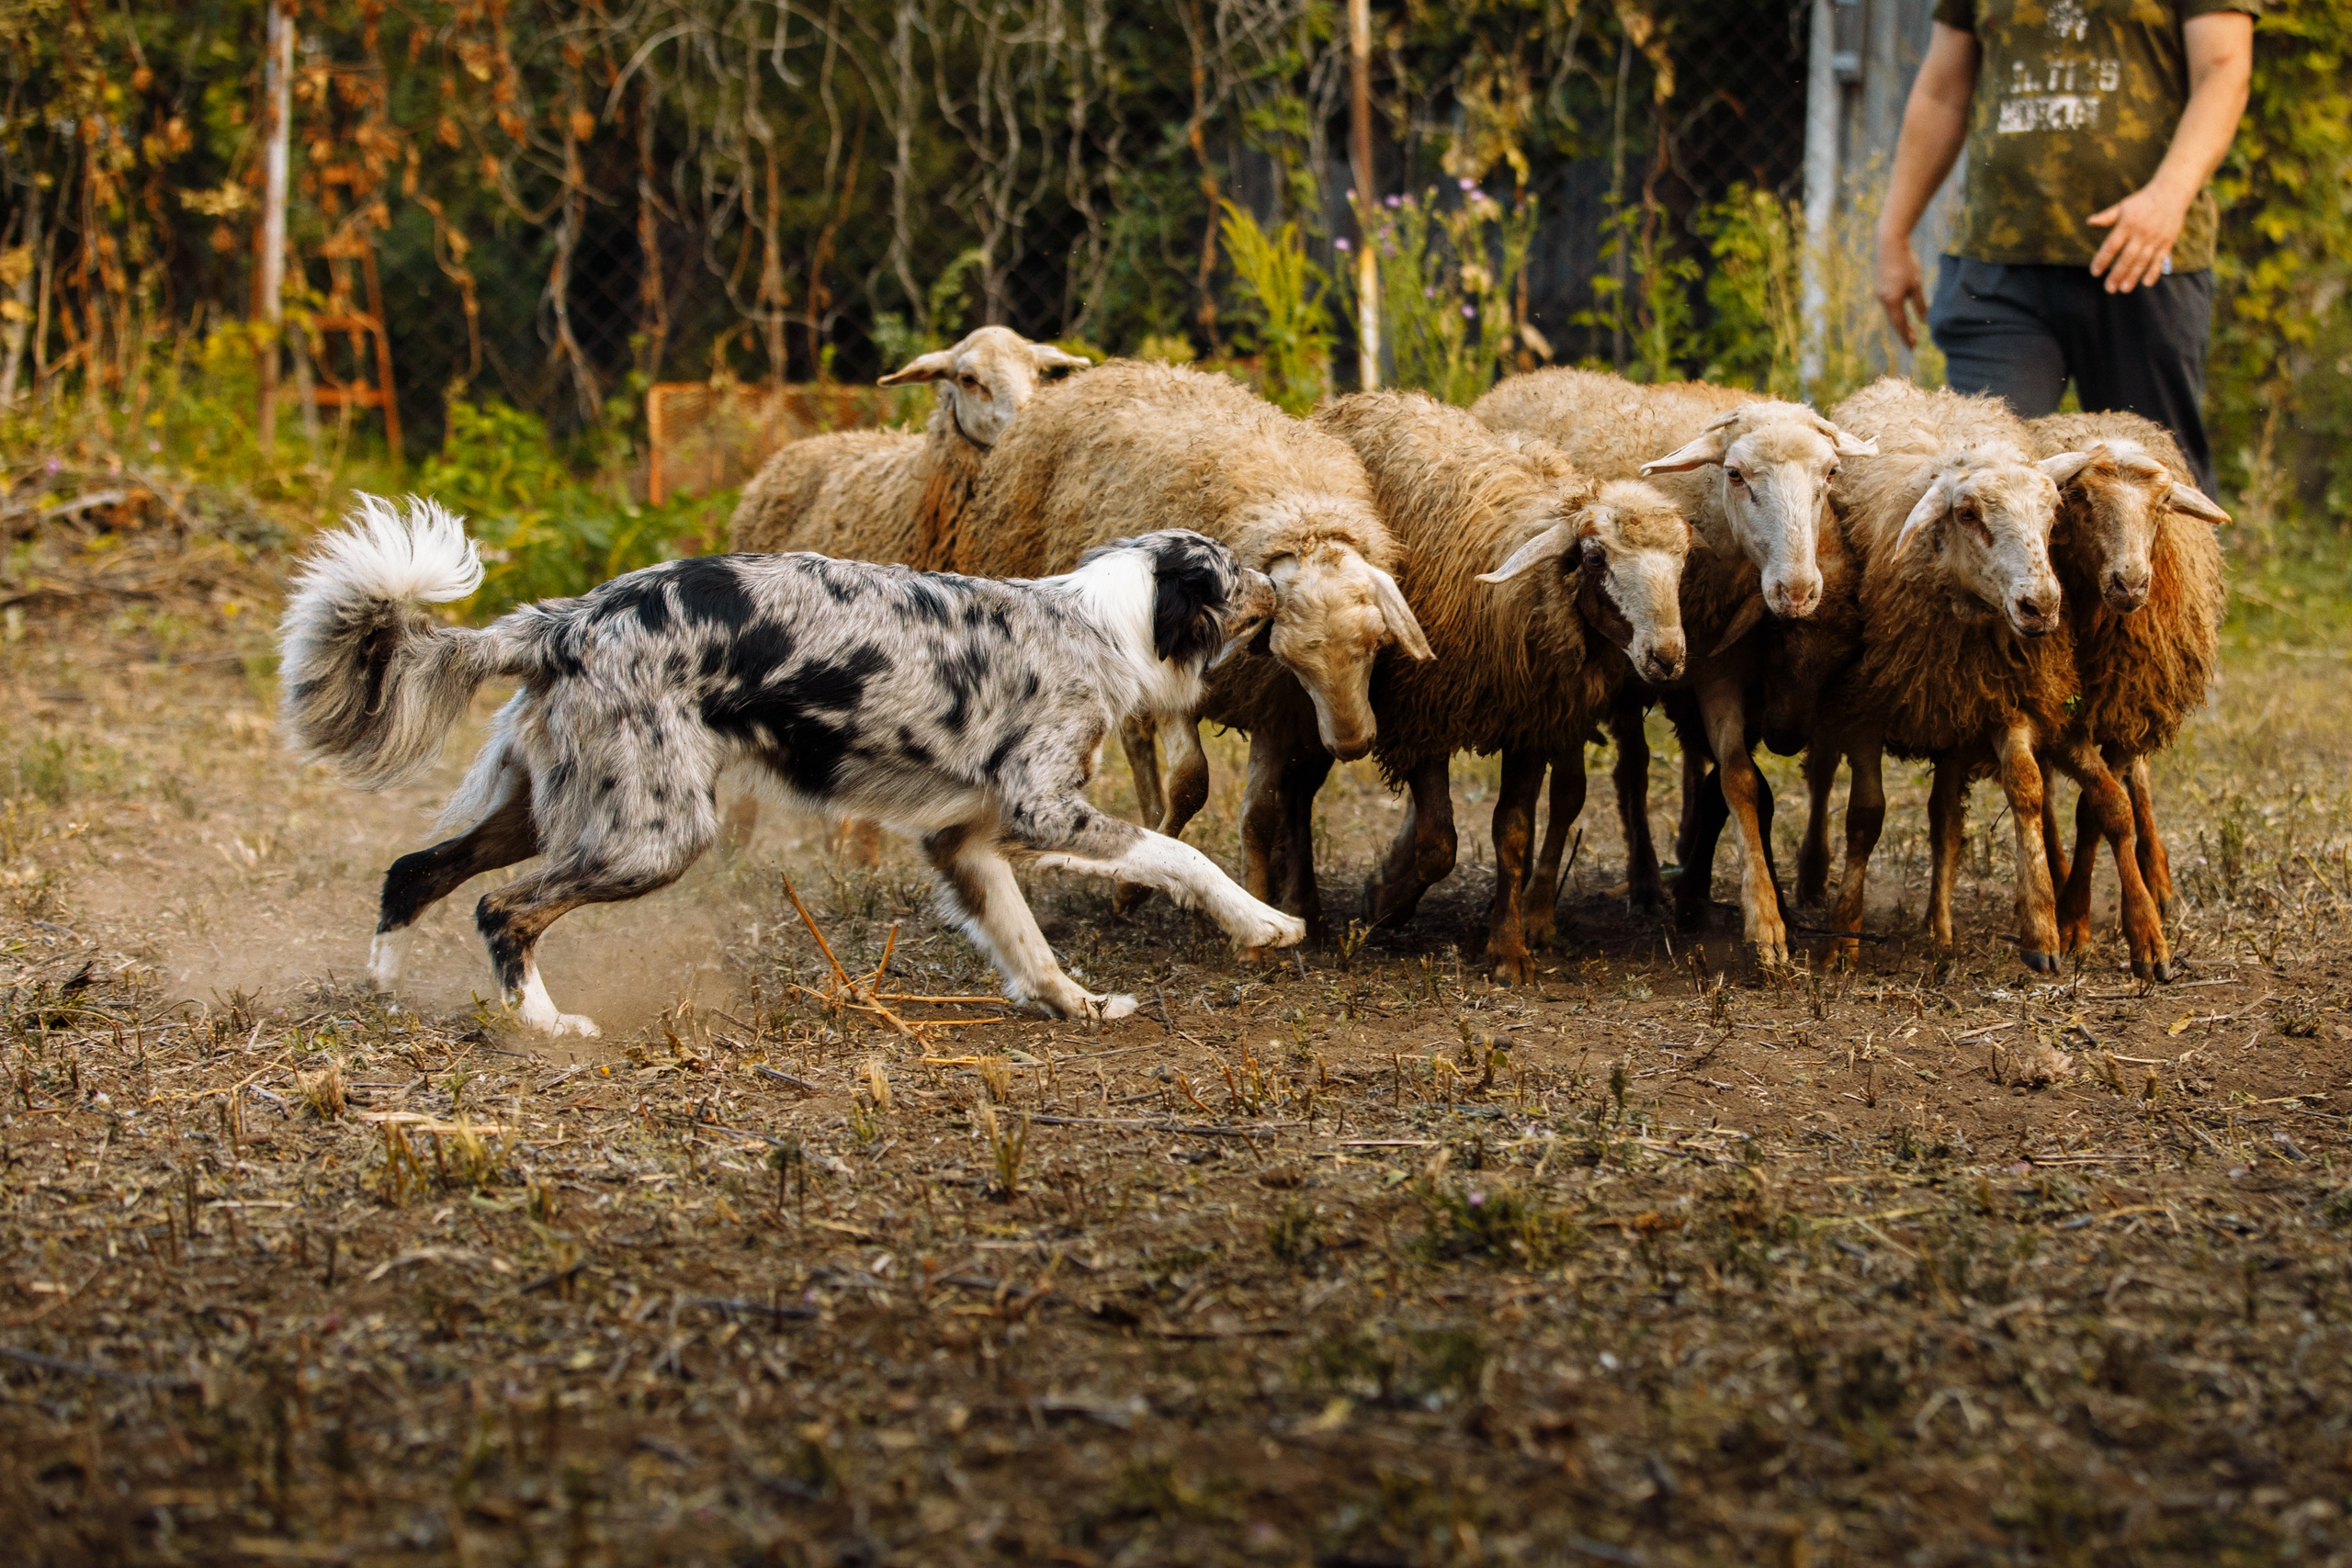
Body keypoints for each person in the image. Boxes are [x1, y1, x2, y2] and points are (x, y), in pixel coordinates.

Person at [1875, 0, 2256, 496]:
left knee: (2151, 491)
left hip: (2141, 262)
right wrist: (1893, 232)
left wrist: (2168, 196)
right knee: (1985, 486)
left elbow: (2224, 70)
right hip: (1999, 266)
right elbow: (1942, 92)